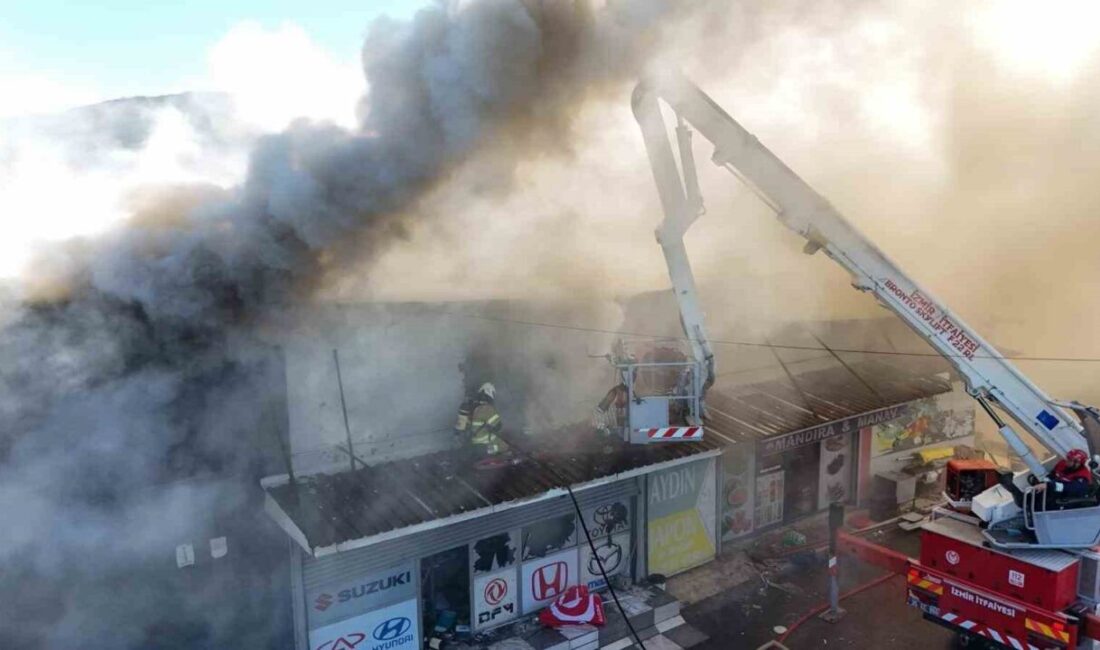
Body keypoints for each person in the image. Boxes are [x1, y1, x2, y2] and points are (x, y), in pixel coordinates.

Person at [455, 382, 505, 459]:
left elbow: (459, 429)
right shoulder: (487, 409)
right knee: (504, 446)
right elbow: (498, 426)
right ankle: (491, 455)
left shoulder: (470, 406)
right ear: (490, 393)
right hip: (483, 445)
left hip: (469, 444)